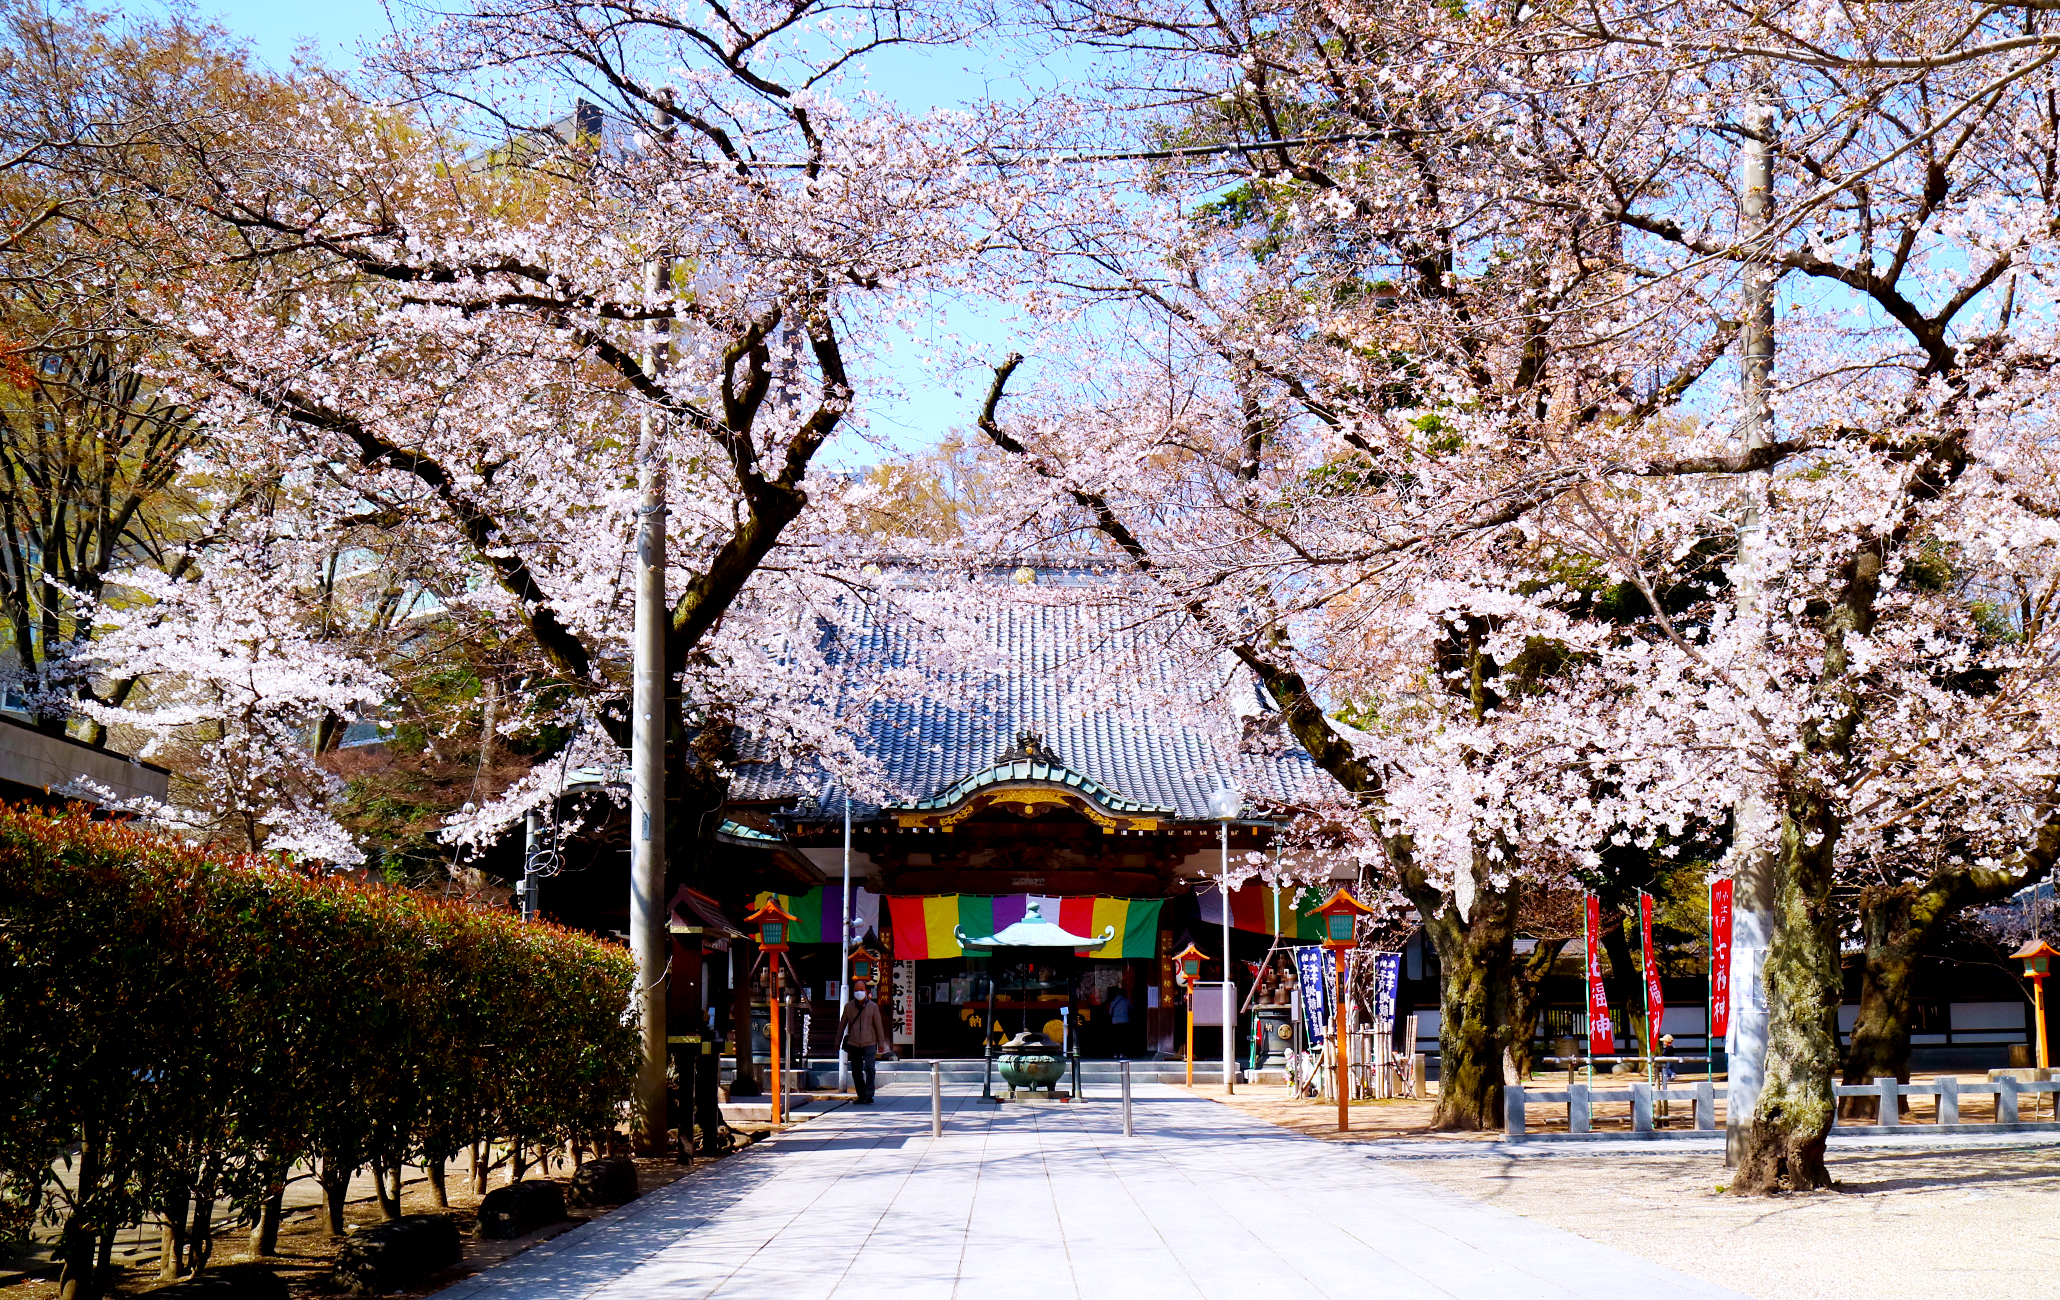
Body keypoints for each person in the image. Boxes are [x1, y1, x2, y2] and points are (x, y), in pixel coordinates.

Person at [839, 982, 889, 1104]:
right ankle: (861, 1095)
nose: (859, 992)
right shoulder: (849, 1007)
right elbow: (842, 1025)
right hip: (854, 1043)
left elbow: (878, 1026)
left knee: (869, 1068)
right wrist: (837, 1040)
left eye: (861, 989)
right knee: (856, 1071)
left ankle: (869, 1094)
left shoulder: (873, 1007)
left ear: (866, 991)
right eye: (856, 990)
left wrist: (881, 1043)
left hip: (870, 1042)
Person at [1107, 988, 1132, 1060]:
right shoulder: (1127, 1001)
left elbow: (1110, 1013)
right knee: (1124, 1038)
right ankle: (1123, 1053)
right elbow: (1132, 1009)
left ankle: (1115, 1053)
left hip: (1115, 1022)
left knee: (1116, 1038)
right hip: (1125, 1021)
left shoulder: (1113, 1002)